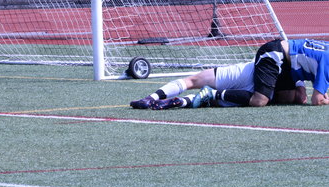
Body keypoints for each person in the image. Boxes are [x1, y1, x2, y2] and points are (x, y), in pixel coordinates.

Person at [130, 60, 305, 110]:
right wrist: (300, 82)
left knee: (192, 80)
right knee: (210, 100)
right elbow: (303, 98)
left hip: (250, 71)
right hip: (266, 93)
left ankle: (150, 98)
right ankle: (184, 101)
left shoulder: (299, 52)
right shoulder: (309, 63)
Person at [248, 38, 329, 106]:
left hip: (289, 64)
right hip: (275, 53)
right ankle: (241, 91)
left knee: (287, 98)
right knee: (259, 101)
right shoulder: (327, 61)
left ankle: (265, 92)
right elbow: (317, 101)